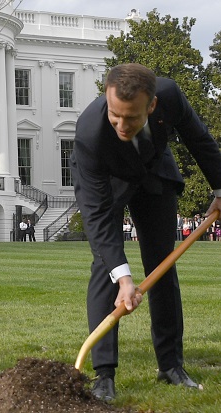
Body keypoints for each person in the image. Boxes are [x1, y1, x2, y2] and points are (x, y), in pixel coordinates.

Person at [71, 63, 221, 402]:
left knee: (162, 265)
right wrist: (124, 278)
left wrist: (220, 189)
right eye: (115, 116)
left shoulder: (169, 95)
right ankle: (104, 375)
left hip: (154, 173)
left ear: (152, 105)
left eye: (132, 118)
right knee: (106, 267)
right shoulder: (90, 134)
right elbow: (97, 216)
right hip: (108, 181)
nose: (122, 126)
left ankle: (171, 365)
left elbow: (200, 140)